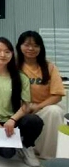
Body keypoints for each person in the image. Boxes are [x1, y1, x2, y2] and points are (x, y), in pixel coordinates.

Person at [0, 37, 44, 167]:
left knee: (34, 121)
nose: (3, 55)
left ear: (12, 54)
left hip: (15, 119)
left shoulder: (21, 76)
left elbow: (25, 105)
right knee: (8, 154)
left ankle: (26, 146)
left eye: (7, 51)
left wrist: (13, 120)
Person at [16, 31, 66, 159]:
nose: (31, 49)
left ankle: (48, 155)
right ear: (19, 46)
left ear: (41, 48)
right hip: (20, 108)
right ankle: (24, 145)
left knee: (54, 111)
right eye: (27, 45)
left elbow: (57, 95)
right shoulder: (13, 66)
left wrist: (38, 106)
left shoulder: (50, 67)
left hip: (43, 107)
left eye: (35, 45)